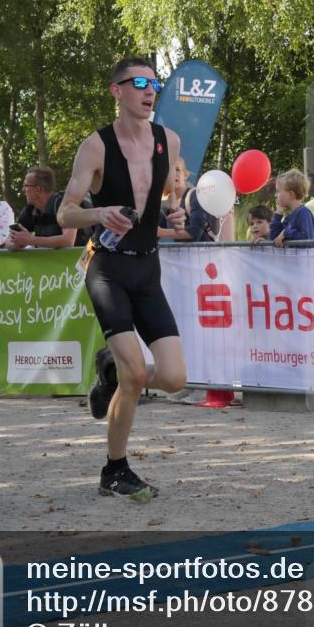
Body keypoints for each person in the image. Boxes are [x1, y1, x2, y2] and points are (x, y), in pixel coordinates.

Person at [57, 55, 187, 501]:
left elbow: (168, 189)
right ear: (117, 91)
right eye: (139, 83)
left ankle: (109, 368)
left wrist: (177, 203)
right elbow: (65, 211)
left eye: (155, 84)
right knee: (136, 374)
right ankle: (115, 470)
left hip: (147, 267)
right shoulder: (95, 147)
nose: (150, 91)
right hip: (106, 267)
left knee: (173, 378)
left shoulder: (167, 139)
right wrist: (99, 212)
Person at [8, 167, 79, 249]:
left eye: (26, 186)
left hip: (81, 259)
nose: (23, 189)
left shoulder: (63, 204)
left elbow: (68, 241)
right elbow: (8, 241)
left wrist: (30, 240)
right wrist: (17, 243)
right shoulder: (30, 210)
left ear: (38, 189)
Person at [269, 168, 314, 247]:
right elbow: (274, 237)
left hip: (306, 259)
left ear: (291, 194)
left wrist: (286, 233)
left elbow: (307, 240)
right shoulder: (289, 217)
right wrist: (278, 215)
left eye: (278, 191)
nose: (275, 195)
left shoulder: (303, 213)